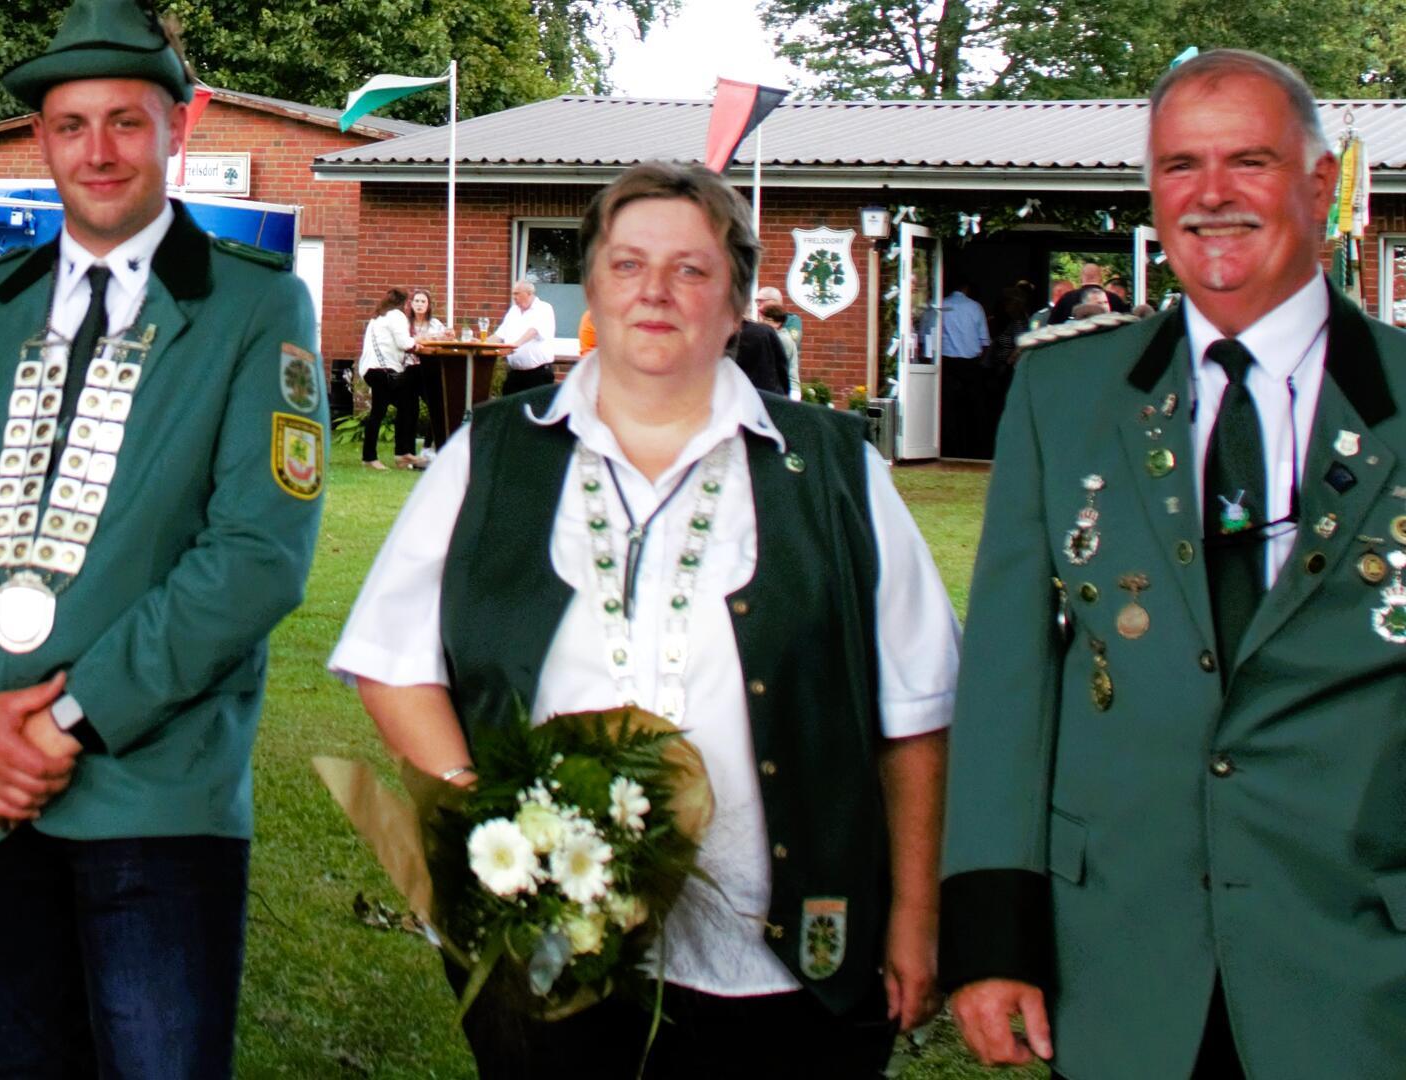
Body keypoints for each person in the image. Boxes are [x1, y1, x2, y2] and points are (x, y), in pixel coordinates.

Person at [330, 161, 960, 1078]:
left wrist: (913, 916)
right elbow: (393, 659)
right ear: (590, 289)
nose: (655, 292)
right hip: (553, 953)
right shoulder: (492, 452)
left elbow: (917, 709)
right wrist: (497, 833)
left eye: (691, 269)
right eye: (626, 265)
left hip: (787, 965)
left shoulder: (833, 470)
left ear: (737, 300)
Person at [0, 1, 325, 1075]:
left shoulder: (257, 308)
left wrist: (64, 721)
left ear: (179, 128)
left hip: (156, 795)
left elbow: (257, 555)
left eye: (127, 119)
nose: (98, 150)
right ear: (41, 140)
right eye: (72, 124)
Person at [941, 48, 1406, 1079]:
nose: (1211, 197)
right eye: (1179, 166)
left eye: (1249, 160)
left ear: (1321, 183)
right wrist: (990, 933)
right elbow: (1008, 684)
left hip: (1362, 967)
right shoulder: (1064, 399)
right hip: (1118, 962)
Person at [930, 275, 992, 458]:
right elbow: (985, 340)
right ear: (966, 287)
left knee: (949, 410)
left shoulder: (940, 305)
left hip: (947, 363)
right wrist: (982, 362)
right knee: (974, 410)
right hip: (971, 364)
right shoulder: (975, 307)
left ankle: (950, 448)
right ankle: (975, 451)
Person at [358, 287, 417, 470]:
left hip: (371, 369)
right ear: (404, 302)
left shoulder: (377, 317)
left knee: (406, 405)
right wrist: (419, 343)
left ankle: (402, 453)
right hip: (385, 370)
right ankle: (373, 457)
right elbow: (404, 343)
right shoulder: (396, 316)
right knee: (383, 411)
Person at [496, 279, 558, 394]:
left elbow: (533, 331)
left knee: (536, 411)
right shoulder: (513, 311)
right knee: (509, 408)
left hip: (538, 375)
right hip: (515, 374)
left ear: (529, 293)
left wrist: (514, 346)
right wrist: (482, 342)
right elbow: (499, 334)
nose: (514, 297)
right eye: (513, 294)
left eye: (517, 294)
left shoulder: (544, 308)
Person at [407, 287, 448, 460]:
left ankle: (427, 447)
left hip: (429, 369)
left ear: (429, 305)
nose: (419, 304)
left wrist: (446, 336)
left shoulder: (436, 324)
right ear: (411, 304)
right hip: (409, 369)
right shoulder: (404, 324)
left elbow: (444, 341)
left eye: (423, 301)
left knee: (436, 407)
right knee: (409, 410)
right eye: (416, 301)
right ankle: (407, 452)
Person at [731, 292, 791, 395]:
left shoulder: (726, 335)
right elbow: (782, 368)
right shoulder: (765, 332)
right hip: (769, 395)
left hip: (743, 395)